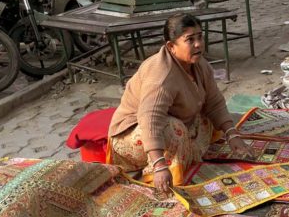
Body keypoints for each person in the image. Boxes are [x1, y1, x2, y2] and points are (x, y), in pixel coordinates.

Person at [108, 13, 252, 193]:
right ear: (171, 46)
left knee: (207, 118)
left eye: (200, 37)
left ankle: (186, 153)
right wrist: (160, 165)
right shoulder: (161, 74)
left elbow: (214, 101)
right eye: (190, 40)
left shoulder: (200, 64)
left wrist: (232, 134)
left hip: (174, 122)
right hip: (133, 132)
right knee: (174, 129)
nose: (198, 44)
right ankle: (159, 170)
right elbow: (150, 119)